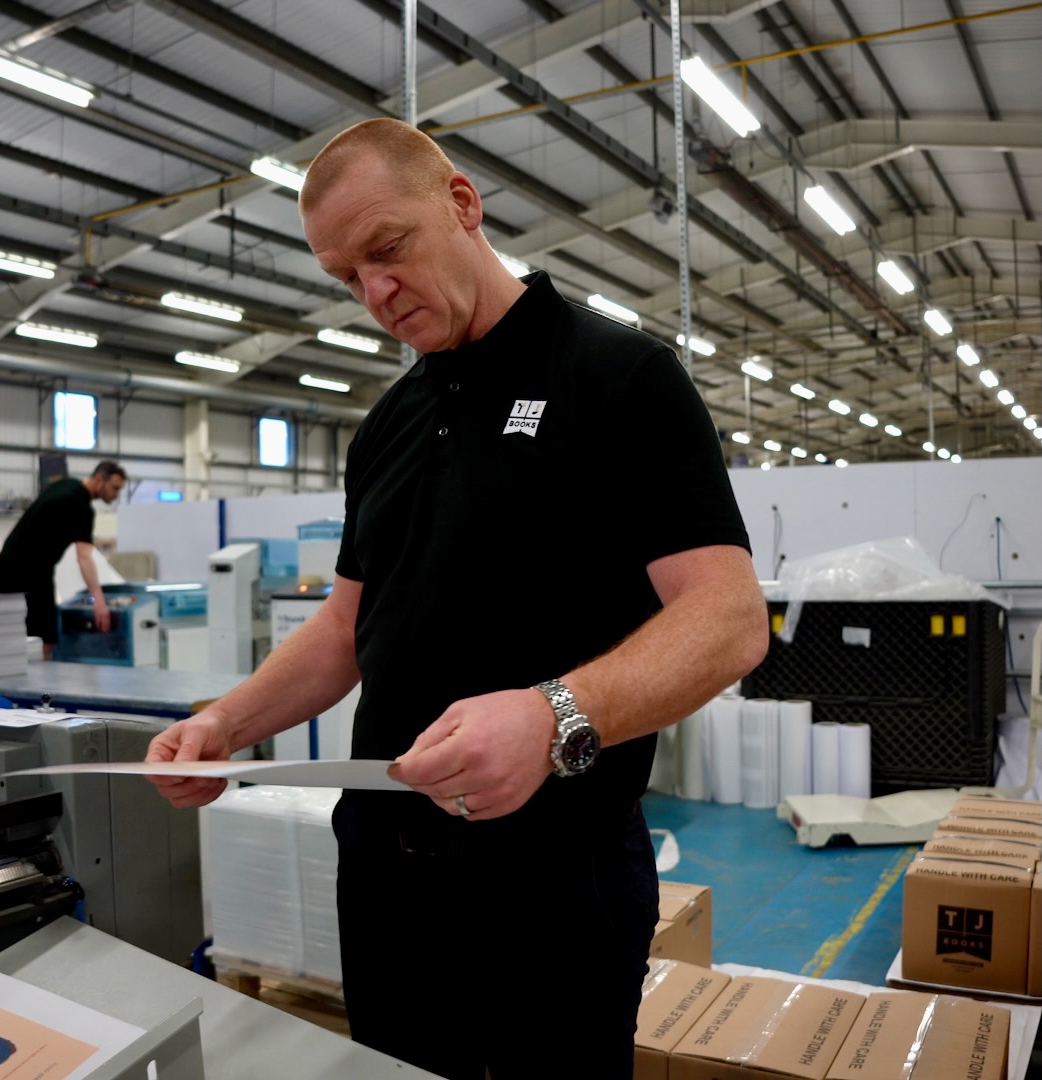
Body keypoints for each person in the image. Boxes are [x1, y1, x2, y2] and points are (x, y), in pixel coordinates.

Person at [145, 119, 769, 1079]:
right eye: (346, 278)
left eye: (387, 251)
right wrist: (226, 721)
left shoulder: (617, 377)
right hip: (388, 872)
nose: (375, 295)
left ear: (462, 204)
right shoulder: (388, 425)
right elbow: (346, 627)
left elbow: (726, 619)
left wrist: (552, 714)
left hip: (554, 877)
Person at [0, 461, 126, 659]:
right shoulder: (81, 507)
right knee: (44, 640)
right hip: (31, 572)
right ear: (100, 479)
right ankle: (40, 688)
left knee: (13, 635)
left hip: (9, 565)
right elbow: (84, 558)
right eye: (115, 488)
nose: (117, 495)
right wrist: (99, 601)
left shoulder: (64, 485)